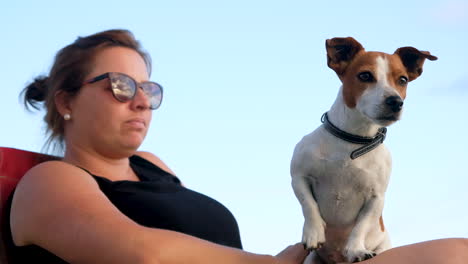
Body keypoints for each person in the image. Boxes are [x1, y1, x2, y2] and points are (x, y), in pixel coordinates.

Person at [5, 29, 467, 264]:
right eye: (121, 86)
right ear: (65, 100)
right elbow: (146, 255)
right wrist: (271, 263)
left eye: (149, 87)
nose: (143, 100)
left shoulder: (153, 167)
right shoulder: (50, 181)